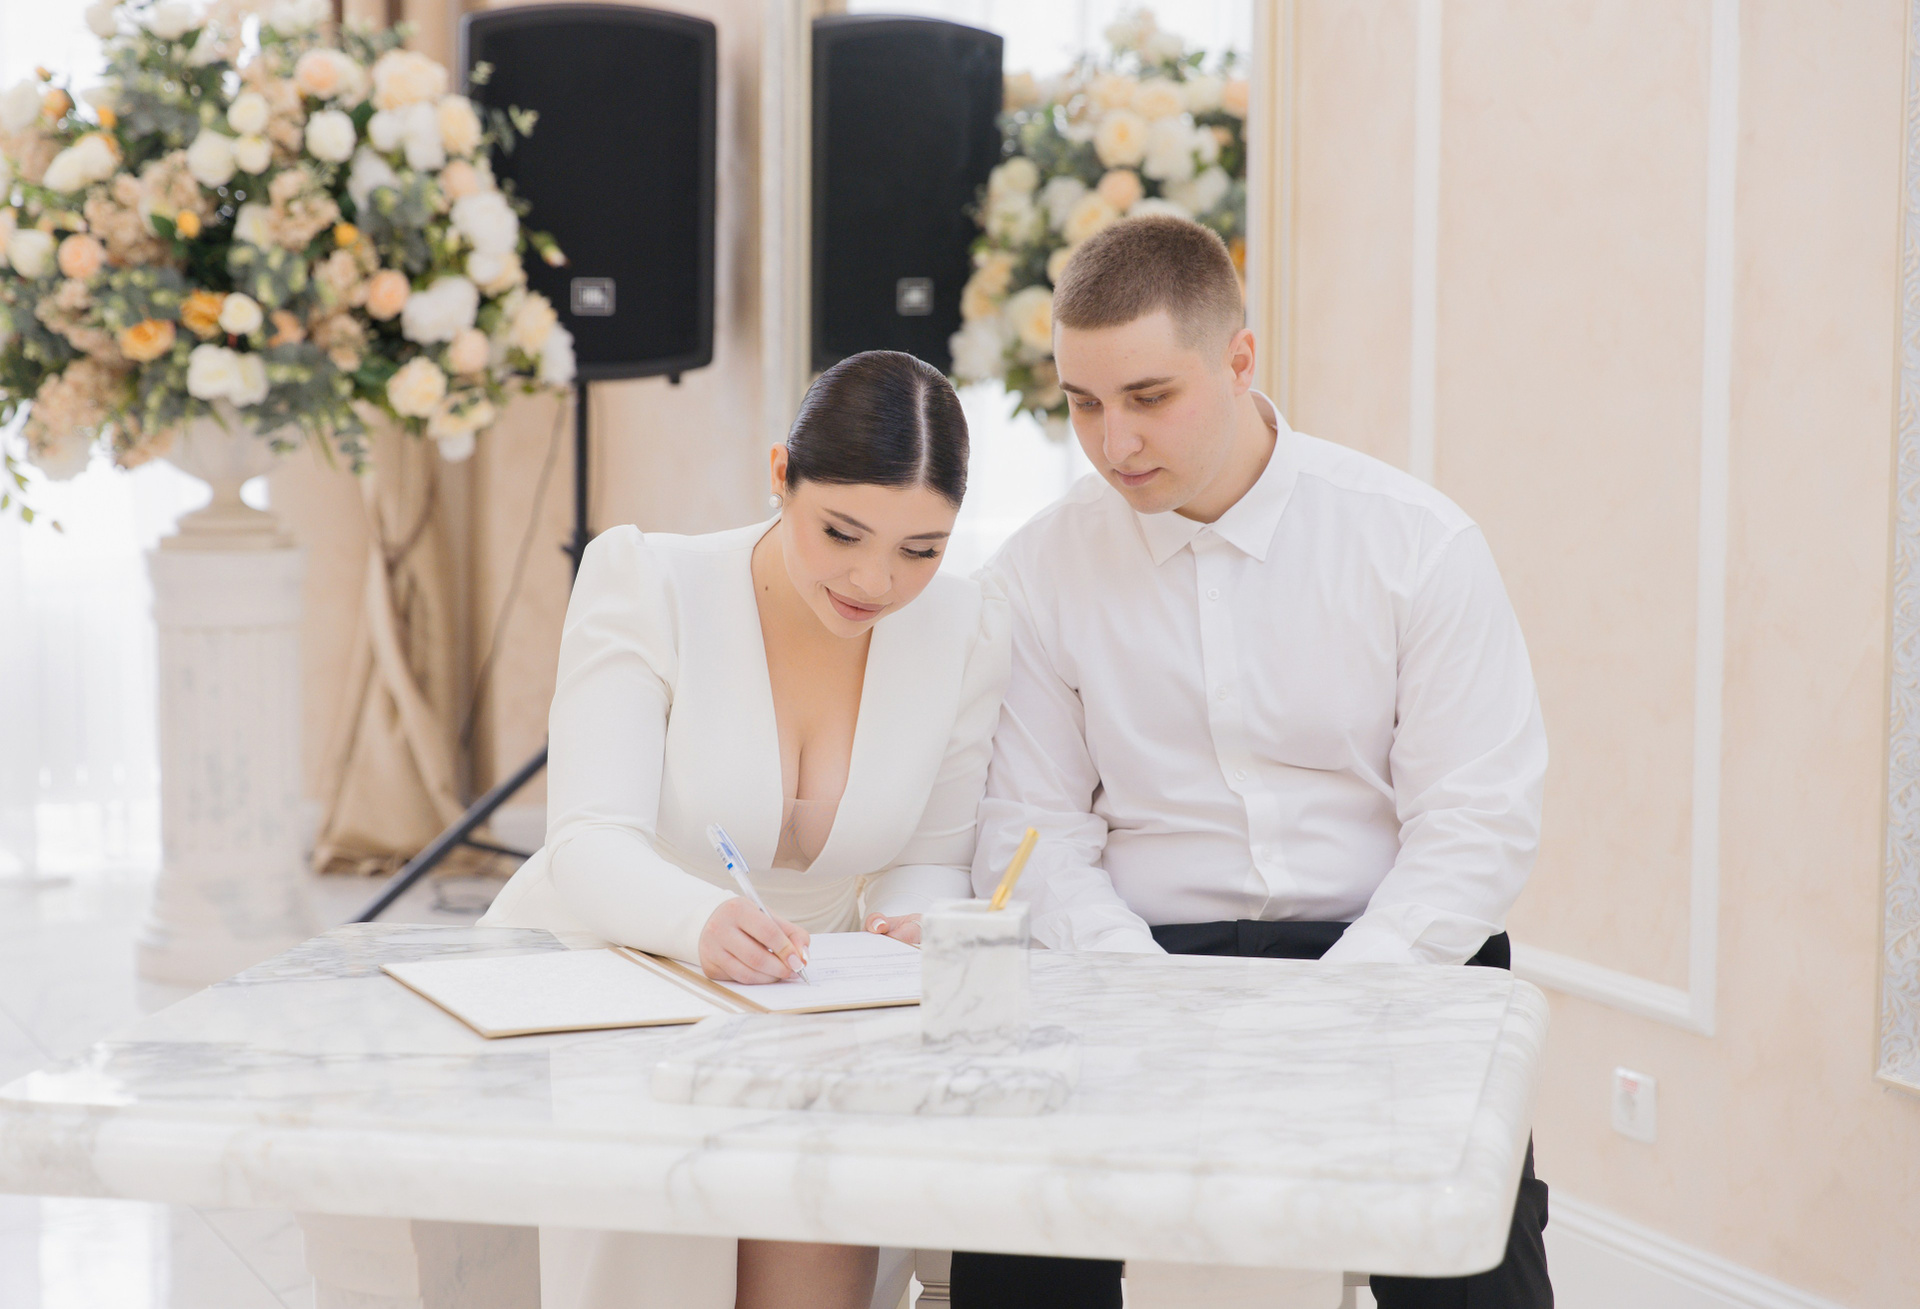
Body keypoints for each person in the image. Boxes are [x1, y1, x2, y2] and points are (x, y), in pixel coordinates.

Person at [954, 215, 1552, 1308]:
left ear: (1240, 360)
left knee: (1474, 1256)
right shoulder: (1037, 571)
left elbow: (1478, 822)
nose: (1114, 443)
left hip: (1389, 954)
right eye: (1083, 403)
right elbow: (1029, 833)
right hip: (1131, 958)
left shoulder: (1417, 546)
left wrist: (1346, 1000)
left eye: (1148, 397)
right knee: (1009, 1231)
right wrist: (1141, 991)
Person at [480, 350, 1011, 1309]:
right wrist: (700, 923)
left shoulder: (965, 628)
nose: (877, 580)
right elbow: (589, 839)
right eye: (842, 531)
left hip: (814, 994)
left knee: (819, 1230)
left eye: (921, 549)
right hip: (620, 963)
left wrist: (913, 922)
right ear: (780, 474)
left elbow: (929, 856)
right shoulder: (650, 579)